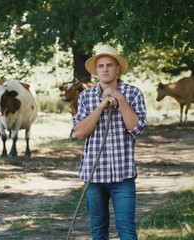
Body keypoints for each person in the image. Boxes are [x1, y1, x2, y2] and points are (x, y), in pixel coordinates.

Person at [72, 44, 147, 240]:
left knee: (128, 233)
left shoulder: (133, 93)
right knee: (98, 233)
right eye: (101, 66)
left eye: (110, 65)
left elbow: (136, 128)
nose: (105, 69)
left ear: (117, 69)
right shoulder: (86, 97)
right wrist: (101, 105)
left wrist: (121, 100)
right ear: (96, 70)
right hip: (94, 177)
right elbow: (79, 132)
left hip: (123, 176)